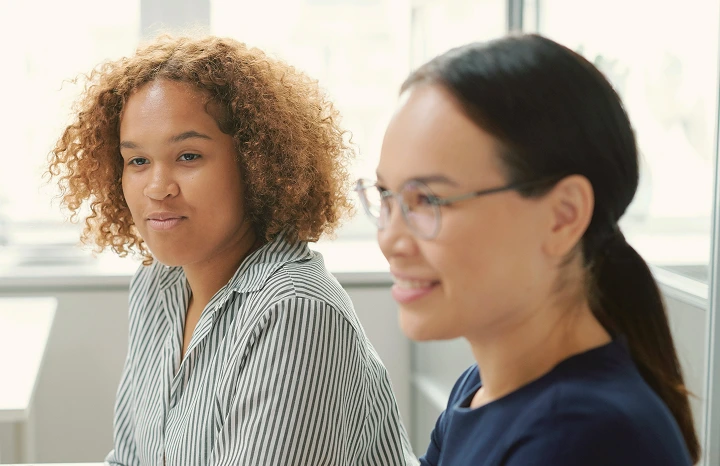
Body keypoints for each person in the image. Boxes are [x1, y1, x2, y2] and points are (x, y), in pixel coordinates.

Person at [48, 34, 415, 466]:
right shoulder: (157, 284)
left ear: (256, 165)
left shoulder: (294, 311)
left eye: (188, 156)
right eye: (138, 161)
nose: (157, 188)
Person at [355, 33, 699, 465]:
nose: (390, 239)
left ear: (563, 216)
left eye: (428, 199)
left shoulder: (585, 440)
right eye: (386, 196)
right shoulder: (481, 388)